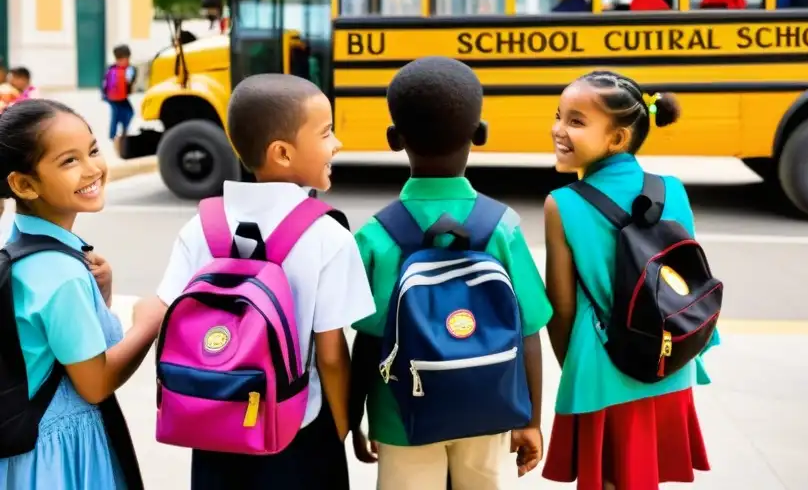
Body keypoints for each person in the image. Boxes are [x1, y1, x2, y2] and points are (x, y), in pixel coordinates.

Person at [156, 73, 375, 490]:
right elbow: (330, 354)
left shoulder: (199, 226)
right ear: (282, 153)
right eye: (327, 133)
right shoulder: (327, 234)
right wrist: (345, 428)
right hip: (298, 431)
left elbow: (171, 314)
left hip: (213, 422)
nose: (337, 144)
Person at [349, 56, 552, 490]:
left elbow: (368, 341)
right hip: (489, 408)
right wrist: (530, 419)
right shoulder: (503, 226)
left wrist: (356, 418)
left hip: (401, 415)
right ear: (480, 134)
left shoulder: (375, 235)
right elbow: (528, 332)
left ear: (393, 139)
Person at [542, 71, 717, 489]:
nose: (557, 129)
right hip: (670, 362)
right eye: (559, 115)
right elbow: (687, 277)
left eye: (576, 121)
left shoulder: (562, 204)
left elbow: (561, 308)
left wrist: (574, 367)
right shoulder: (673, 189)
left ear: (618, 138)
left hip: (603, 367)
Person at [0, 99, 164, 489]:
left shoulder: (19, 250)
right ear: (24, 184)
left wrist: (99, 297)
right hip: (59, 459)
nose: (92, 168)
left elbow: (48, 344)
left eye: (92, 150)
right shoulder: (61, 274)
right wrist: (148, 324)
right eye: (68, 161)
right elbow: (94, 384)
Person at [101, 47, 137, 157]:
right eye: (126, 59)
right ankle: (114, 136)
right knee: (118, 115)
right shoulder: (121, 70)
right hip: (115, 98)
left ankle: (118, 134)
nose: (128, 61)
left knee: (124, 113)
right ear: (120, 59)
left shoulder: (112, 68)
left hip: (116, 97)